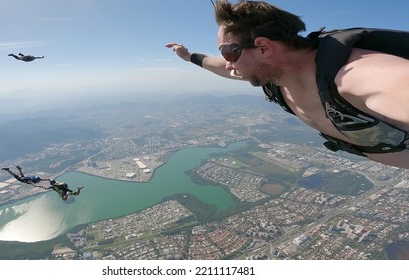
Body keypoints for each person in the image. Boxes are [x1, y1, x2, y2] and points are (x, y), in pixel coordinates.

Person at [166, 0, 409, 169]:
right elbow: (222, 67)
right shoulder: (276, 78)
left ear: (263, 47)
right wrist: (189, 57)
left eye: (229, 52)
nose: (229, 64)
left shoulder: (359, 76)